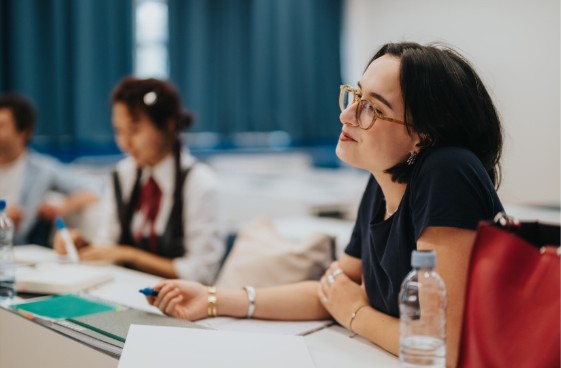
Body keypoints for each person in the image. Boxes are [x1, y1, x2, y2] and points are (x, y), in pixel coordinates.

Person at [145, 42, 504, 367]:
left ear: (423, 137)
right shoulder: (383, 181)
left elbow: (441, 347)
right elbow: (330, 291)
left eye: (373, 109)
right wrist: (212, 299)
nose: (347, 116)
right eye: (355, 96)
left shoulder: (448, 171)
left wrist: (354, 312)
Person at [54, 77, 225, 283]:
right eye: (118, 131)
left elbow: (201, 273)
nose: (125, 143)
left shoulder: (199, 183)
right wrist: (84, 246)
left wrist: (129, 255)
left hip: (180, 304)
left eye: (134, 130)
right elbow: (109, 245)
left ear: (168, 126)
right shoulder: (122, 175)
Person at [0, 94, 101, 245]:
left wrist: (64, 206)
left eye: (1, 125)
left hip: (20, 252)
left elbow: (97, 189)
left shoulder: (42, 170)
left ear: (23, 133)